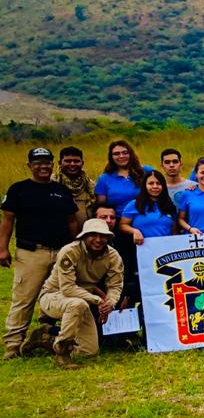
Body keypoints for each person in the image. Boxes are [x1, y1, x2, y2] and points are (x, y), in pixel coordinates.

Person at [1, 147, 81, 359]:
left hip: (61, 252)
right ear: (29, 165)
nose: (43, 166)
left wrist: (75, 248)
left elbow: (71, 221)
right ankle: (13, 343)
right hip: (31, 252)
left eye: (47, 162)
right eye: (38, 163)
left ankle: (47, 335)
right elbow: (7, 220)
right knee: (24, 297)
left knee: (61, 295)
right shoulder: (19, 189)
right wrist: (2, 248)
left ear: (53, 165)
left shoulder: (61, 191)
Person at [36, 218, 124, 366]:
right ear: (84, 237)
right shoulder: (70, 251)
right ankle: (62, 353)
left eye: (103, 236)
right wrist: (97, 300)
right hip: (54, 296)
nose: (98, 240)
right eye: (93, 235)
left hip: (82, 301)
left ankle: (45, 339)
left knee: (89, 351)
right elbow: (68, 288)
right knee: (77, 304)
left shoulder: (113, 256)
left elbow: (115, 285)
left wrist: (110, 303)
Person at [120, 171, 177, 244]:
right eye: (151, 183)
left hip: (166, 249)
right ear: (144, 186)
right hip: (143, 249)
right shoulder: (134, 204)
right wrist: (135, 231)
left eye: (158, 183)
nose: (155, 186)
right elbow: (123, 225)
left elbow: (174, 232)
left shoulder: (170, 206)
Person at [94, 139, 149, 211]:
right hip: (116, 219)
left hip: (142, 218)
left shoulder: (146, 171)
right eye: (116, 154)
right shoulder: (104, 179)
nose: (121, 156)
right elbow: (101, 207)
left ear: (131, 154)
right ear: (111, 157)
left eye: (125, 152)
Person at [55, 146, 94, 222]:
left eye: (76, 161)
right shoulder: (52, 183)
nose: (72, 164)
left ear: (82, 163)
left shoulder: (90, 186)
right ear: (59, 163)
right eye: (68, 161)